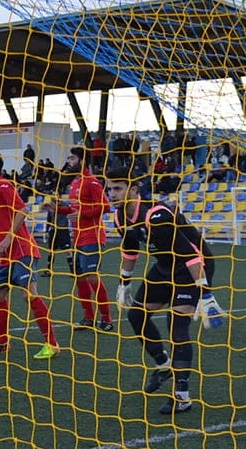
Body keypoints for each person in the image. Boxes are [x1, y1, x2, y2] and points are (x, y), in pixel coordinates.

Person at [106, 167, 224, 415]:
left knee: (176, 324)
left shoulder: (156, 214)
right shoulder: (119, 217)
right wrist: (124, 283)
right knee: (136, 315)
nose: (112, 193)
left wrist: (206, 294)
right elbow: (130, 250)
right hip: (164, 266)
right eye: (109, 189)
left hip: (193, 265)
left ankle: (182, 396)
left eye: (117, 188)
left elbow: (191, 254)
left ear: (134, 190)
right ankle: (164, 366)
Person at [0, 148, 59, 360]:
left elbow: (23, 210)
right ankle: (2, 342)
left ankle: (52, 344)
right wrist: (1, 246)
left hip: (21, 250)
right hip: (6, 253)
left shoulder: (3, 185)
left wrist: (9, 237)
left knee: (29, 294)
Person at [46, 147, 114, 332]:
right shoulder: (75, 183)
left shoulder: (92, 182)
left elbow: (106, 206)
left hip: (92, 236)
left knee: (92, 277)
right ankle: (88, 318)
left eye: (72, 158)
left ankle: (106, 319)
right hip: (77, 237)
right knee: (80, 278)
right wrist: (56, 209)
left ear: (83, 161)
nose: (69, 161)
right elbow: (74, 210)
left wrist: (82, 214)